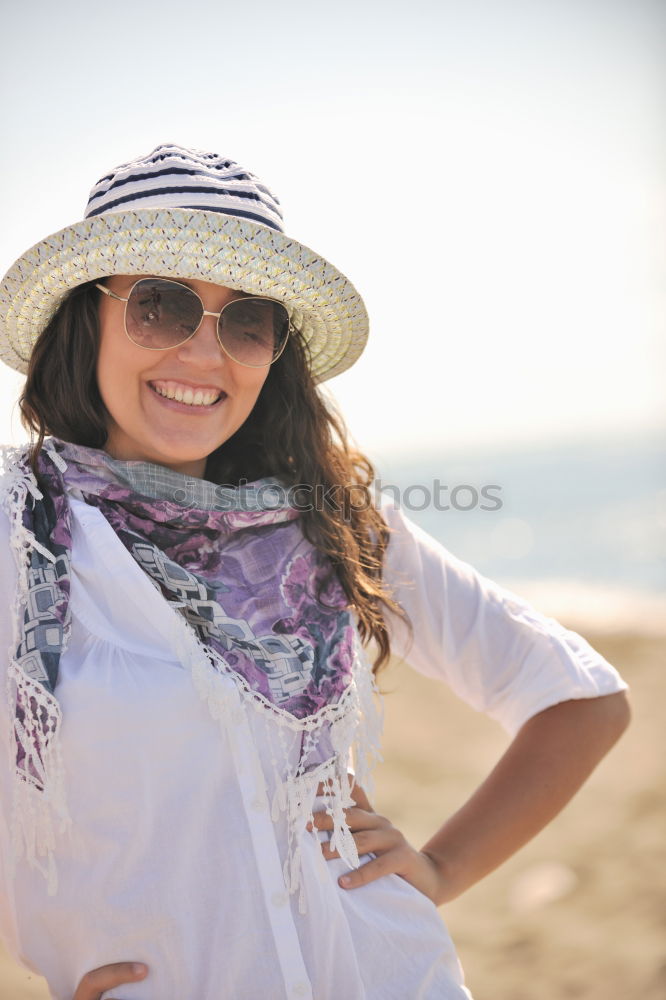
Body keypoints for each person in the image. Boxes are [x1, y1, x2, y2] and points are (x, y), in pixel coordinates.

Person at [0, 144, 629, 1000]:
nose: (203, 353)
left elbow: (582, 698)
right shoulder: (21, 532)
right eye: (161, 307)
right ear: (88, 319)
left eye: (247, 320)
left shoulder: (335, 522)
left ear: (275, 351)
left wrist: (440, 869)